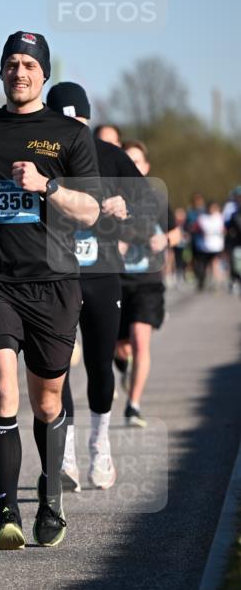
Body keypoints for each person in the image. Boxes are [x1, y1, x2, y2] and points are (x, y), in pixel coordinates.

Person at [0, 31, 100, 550]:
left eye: (30, 64)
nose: (20, 72)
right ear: (1, 71)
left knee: (48, 402)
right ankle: (5, 511)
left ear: (44, 73)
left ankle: (50, 495)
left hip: (54, 282)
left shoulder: (70, 135)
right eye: (12, 63)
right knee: (4, 389)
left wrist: (48, 186)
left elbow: (91, 210)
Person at [46, 82, 151, 491]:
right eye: (62, 121)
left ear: (87, 120)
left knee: (99, 363)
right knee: (56, 369)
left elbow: (148, 212)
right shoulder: (42, 159)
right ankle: (68, 453)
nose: (71, 128)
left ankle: (100, 442)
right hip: (55, 277)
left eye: (77, 121)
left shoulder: (111, 157)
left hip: (103, 274)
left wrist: (125, 211)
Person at [115, 140, 179, 427]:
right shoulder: (110, 197)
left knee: (141, 340)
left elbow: (177, 233)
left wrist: (164, 239)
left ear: (146, 166)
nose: (133, 167)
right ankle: (122, 364)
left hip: (148, 281)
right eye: (127, 161)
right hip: (116, 281)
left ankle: (133, 405)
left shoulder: (157, 197)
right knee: (120, 346)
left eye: (137, 162)